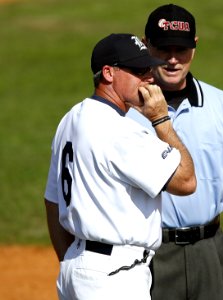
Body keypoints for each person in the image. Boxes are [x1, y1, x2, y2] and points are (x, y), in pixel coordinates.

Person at [127, 4, 223, 299]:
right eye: (163, 49)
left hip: (210, 251)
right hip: (148, 254)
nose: (173, 60)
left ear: (195, 47)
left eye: (181, 50)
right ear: (145, 45)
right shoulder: (125, 112)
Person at [44, 33, 196, 300]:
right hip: (115, 277)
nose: (149, 77)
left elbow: (52, 201)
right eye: (139, 71)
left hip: (77, 269)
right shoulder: (120, 131)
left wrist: (76, 261)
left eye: (149, 68)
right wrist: (161, 119)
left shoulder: (70, 119)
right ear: (108, 73)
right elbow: (186, 181)